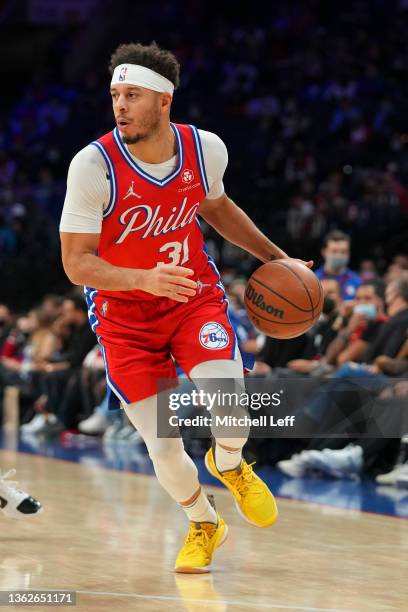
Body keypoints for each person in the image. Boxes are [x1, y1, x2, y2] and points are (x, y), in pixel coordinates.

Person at [59, 41, 312, 573]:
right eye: (115, 95)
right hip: (125, 320)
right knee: (164, 448)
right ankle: (203, 521)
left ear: (164, 101)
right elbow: (77, 264)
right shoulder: (93, 165)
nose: (120, 105)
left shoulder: (205, 150)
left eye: (132, 95)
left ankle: (230, 462)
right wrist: (142, 279)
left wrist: (279, 259)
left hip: (192, 299)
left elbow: (216, 207)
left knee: (231, 408)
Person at [315, 230, 361, 300]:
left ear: (349, 253)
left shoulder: (357, 281)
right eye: (334, 251)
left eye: (343, 252)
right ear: (324, 252)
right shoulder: (314, 279)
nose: (339, 255)